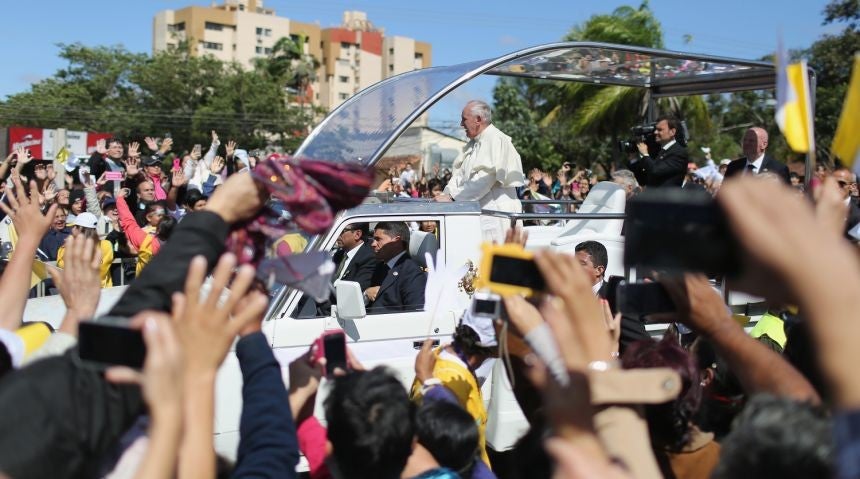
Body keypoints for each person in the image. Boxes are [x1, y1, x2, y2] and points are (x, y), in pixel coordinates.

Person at [438, 100, 525, 242]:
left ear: (478, 119)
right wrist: (446, 195)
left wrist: (452, 198)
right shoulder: (473, 144)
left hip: (497, 217)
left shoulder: (496, 139)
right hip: (483, 215)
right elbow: (459, 175)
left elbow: (484, 180)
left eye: (464, 119)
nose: (461, 124)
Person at [574, 240, 649, 352]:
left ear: (599, 270)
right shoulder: (571, 297)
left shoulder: (616, 299)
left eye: (581, 264)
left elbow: (642, 346)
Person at [364, 222, 426, 313]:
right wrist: (366, 293)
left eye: (378, 239)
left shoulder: (412, 274)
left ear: (397, 242)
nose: (373, 244)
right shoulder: (381, 266)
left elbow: (415, 317)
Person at [56, 212, 114, 288]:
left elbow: (62, 265)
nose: (72, 229)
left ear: (81, 229)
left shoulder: (71, 247)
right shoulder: (107, 245)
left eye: (75, 227)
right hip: (103, 291)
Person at [630, 116, 688, 187]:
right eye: (655, 129)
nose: (655, 132)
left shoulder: (678, 152)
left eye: (660, 130)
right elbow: (643, 180)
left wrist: (645, 154)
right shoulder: (658, 152)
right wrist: (633, 159)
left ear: (672, 132)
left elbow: (655, 171)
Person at [723, 127, 790, 183]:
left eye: (752, 141)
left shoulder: (778, 169)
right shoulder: (733, 166)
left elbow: (786, 197)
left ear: (764, 145)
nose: (746, 143)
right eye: (745, 140)